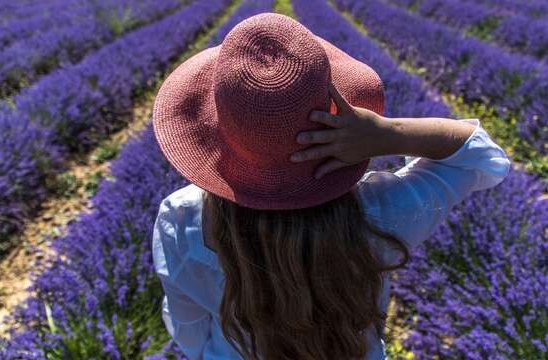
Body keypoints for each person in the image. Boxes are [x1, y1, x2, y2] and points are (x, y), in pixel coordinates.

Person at [151, 12, 511, 360]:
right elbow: (480, 156)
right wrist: (388, 135)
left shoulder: (182, 220)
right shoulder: (380, 214)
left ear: (218, 129)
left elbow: (190, 329)